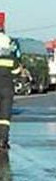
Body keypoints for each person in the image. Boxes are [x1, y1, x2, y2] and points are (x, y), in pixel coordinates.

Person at [0, 12, 22, 151]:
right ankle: (3, 140)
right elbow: (17, 70)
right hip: (7, 85)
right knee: (5, 116)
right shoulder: (11, 46)